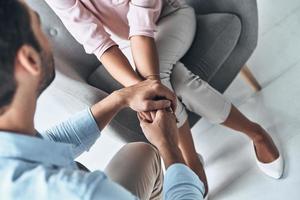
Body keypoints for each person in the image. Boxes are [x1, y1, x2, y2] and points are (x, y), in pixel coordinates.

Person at [45, 0, 284, 195]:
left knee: (159, 78)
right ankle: (255, 133)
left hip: (169, 18)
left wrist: (149, 86)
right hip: (125, 44)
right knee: (177, 82)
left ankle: (192, 159)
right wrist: (140, 89)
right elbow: (99, 44)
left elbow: (141, 29)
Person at [0, 1, 205, 199]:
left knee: (140, 153)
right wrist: (168, 146)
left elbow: (46, 143)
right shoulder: (85, 192)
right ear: (30, 60)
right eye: (39, 25)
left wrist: (121, 98)